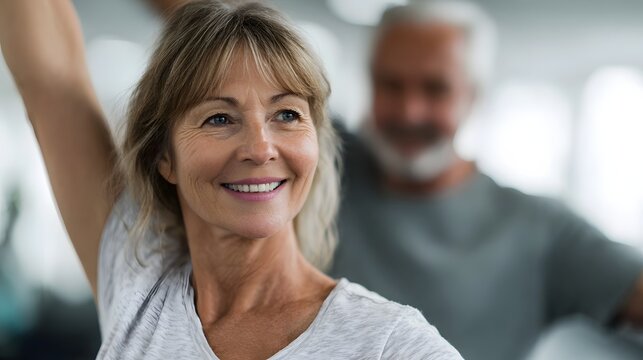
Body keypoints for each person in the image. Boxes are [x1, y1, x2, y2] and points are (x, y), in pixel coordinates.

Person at [0, 1, 463, 359]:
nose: (261, 148)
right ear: (165, 157)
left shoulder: (391, 344)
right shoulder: (139, 286)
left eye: (286, 114)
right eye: (219, 118)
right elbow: (52, 80)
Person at [328, 1, 643, 360]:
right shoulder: (317, 175)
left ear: (473, 95)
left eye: (435, 89)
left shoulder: (541, 228)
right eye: (391, 84)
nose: (409, 111)